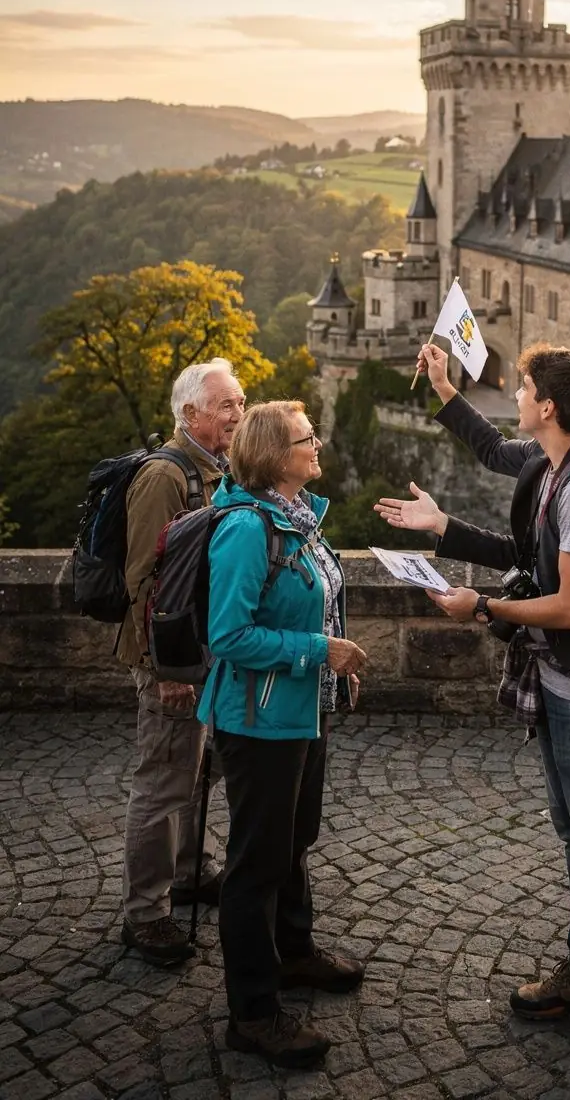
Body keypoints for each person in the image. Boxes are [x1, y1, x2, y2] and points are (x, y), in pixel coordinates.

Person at [375, 342, 570, 1094]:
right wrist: (442, 524)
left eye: (521, 387)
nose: (514, 396)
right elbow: (511, 502)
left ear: (548, 407)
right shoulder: (558, 460)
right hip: (560, 682)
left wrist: (480, 606)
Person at [198, 400, 367, 1069]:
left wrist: (333, 670)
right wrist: (318, 651)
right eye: (307, 438)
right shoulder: (245, 529)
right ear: (275, 456)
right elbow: (228, 635)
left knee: (295, 839)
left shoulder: (298, 518)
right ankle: (254, 1014)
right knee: (254, 865)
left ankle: (293, 954)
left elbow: (317, 596)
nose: (318, 443)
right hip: (258, 718)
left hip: (302, 709)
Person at [119, 357, 245, 966]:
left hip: (201, 655)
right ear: (189, 414)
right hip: (171, 661)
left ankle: (192, 870)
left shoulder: (216, 471)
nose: (238, 415)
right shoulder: (165, 478)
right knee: (166, 777)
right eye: (226, 405)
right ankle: (146, 914)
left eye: (241, 403)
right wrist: (167, 671)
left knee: (198, 770)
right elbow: (144, 581)